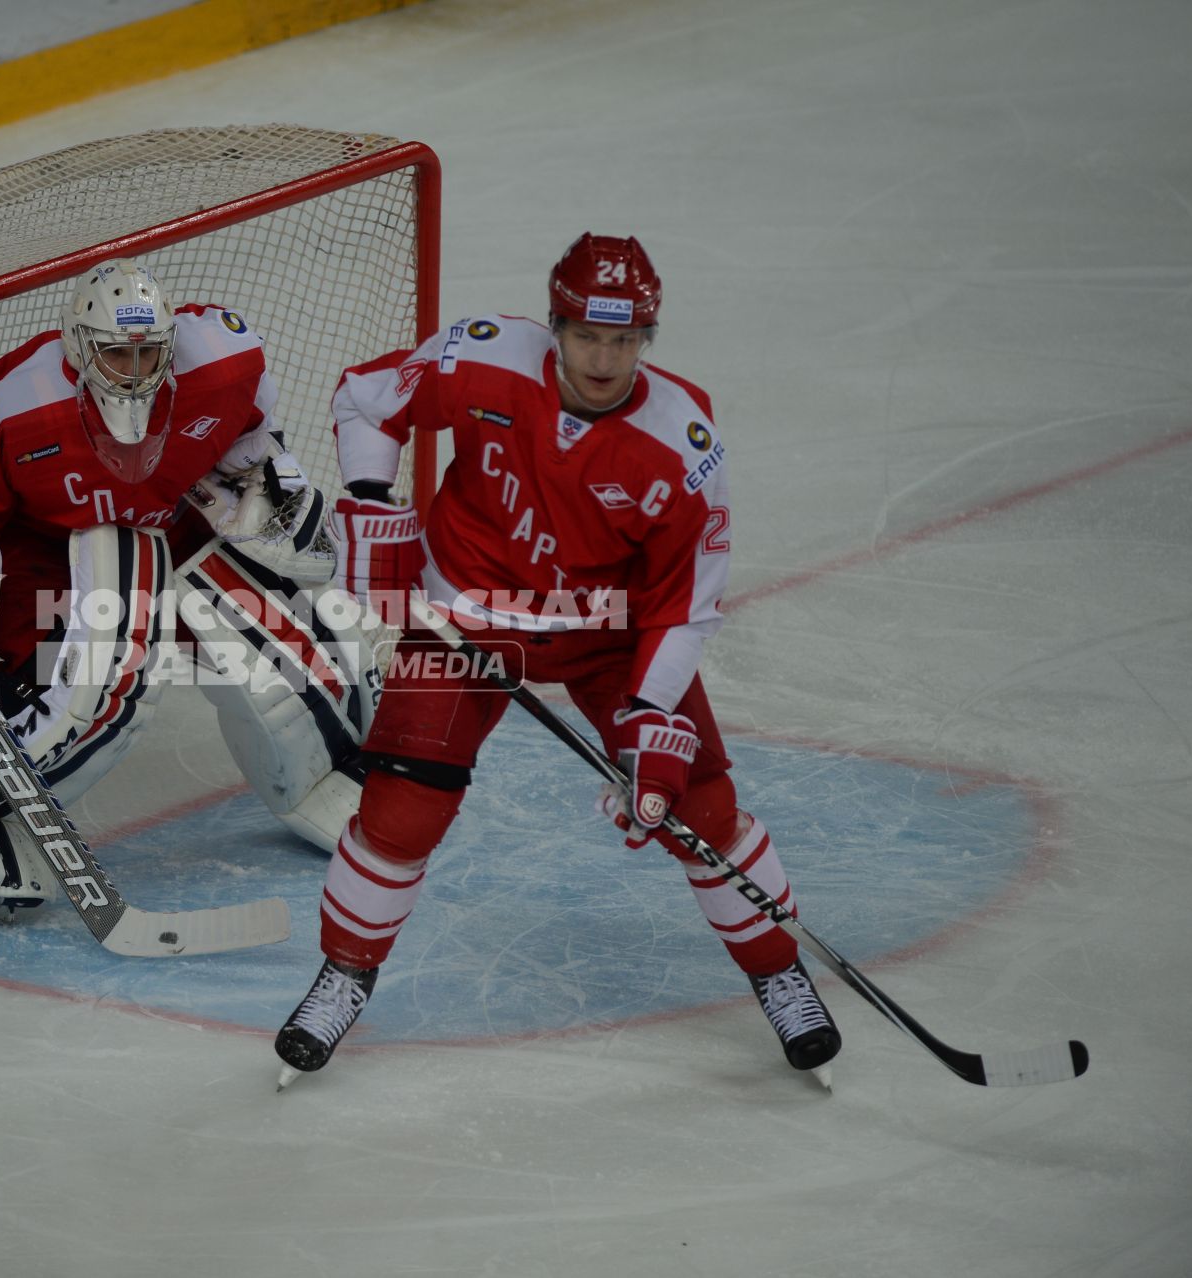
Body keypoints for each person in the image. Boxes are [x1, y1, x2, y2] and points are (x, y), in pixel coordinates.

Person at [274, 233, 842, 1082]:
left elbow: (685, 605)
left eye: (626, 340)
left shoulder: (683, 446)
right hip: (466, 613)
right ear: (556, 325)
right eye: (587, 337)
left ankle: (780, 974)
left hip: (608, 633)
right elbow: (365, 401)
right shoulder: (485, 358)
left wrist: (651, 717)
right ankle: (343, 975)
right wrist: (364, 499)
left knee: (701, 809)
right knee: (401, 810)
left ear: (647, 337)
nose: (606, 359)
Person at [0, 259, 380, 915]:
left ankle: (320, 777)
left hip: (174, 529)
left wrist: (263, 480)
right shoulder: (20, 402)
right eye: (115, 355)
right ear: (79, 347)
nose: (135, 371)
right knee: (95, 689)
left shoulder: (220, 360)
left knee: (316, 656)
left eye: (149, 352)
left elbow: (251, 426)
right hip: (46, 557)